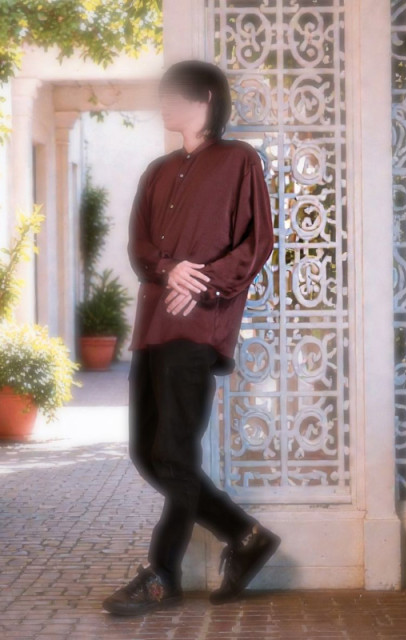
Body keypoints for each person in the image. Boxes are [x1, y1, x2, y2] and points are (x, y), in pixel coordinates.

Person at [102, 59, 280, 617]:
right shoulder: (157, 172)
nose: (163, 104)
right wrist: (169, 268)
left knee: (173, 452)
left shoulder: (239, 161)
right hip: (154, 324)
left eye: (173, 95)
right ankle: (246, 535)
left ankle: (162, 576)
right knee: (148, 452)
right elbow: (139, 247)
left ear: (205, 98)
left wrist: (201, 283)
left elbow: (257, 242)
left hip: (198, 327)